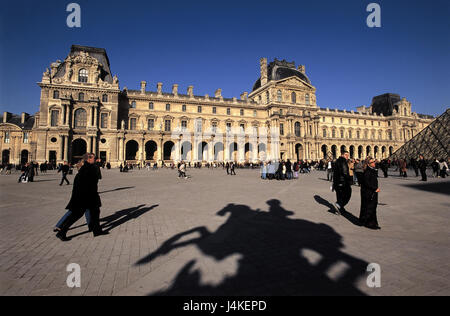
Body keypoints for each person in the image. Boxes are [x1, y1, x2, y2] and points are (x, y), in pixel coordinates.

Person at [55, 153, 107, 241]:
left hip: (86, 195)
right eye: (94, 158)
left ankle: (96, 231)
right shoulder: (88, 168)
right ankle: (61, 232)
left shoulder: (87, 168)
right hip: (86, 196)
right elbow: (89, 183)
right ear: (88, 159)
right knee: (76, 215)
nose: (95, 159)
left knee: (94, 213)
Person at [359, 158, 381, 230]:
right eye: (372, 162)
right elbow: (367, 183)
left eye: (374, 161)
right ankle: (370, 223)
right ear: (368, 164)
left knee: (370, 207)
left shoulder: (371, 170)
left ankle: (366, 221)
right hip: (369, 193)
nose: (374, 163)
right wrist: (375, 188)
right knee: (370, 208)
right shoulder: (368, 171)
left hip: (370, 192)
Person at [332, 151, 352, 215]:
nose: (347, 156)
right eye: (346, 155)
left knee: (339, 196)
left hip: (337, 182)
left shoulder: (337, 161)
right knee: (348, 194)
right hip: (343, 182)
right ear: (342, 155)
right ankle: (339, 205)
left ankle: (339, 210)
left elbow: (335, 172)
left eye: (348, 155)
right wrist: (349, 179)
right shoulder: (343, 161)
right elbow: (345, 172)